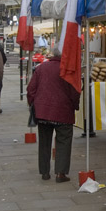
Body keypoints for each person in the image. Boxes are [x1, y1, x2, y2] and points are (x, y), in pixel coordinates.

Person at [27, 47, 82, 182]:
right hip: (63, 111)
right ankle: (60, 173)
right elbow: (75, 91)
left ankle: (45, 172)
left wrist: (33, 104)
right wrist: (75, 106)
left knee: (44, 142)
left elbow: (31, 89)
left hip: (44, 112)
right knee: (63, 141)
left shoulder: (41, 68)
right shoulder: (68, 70)